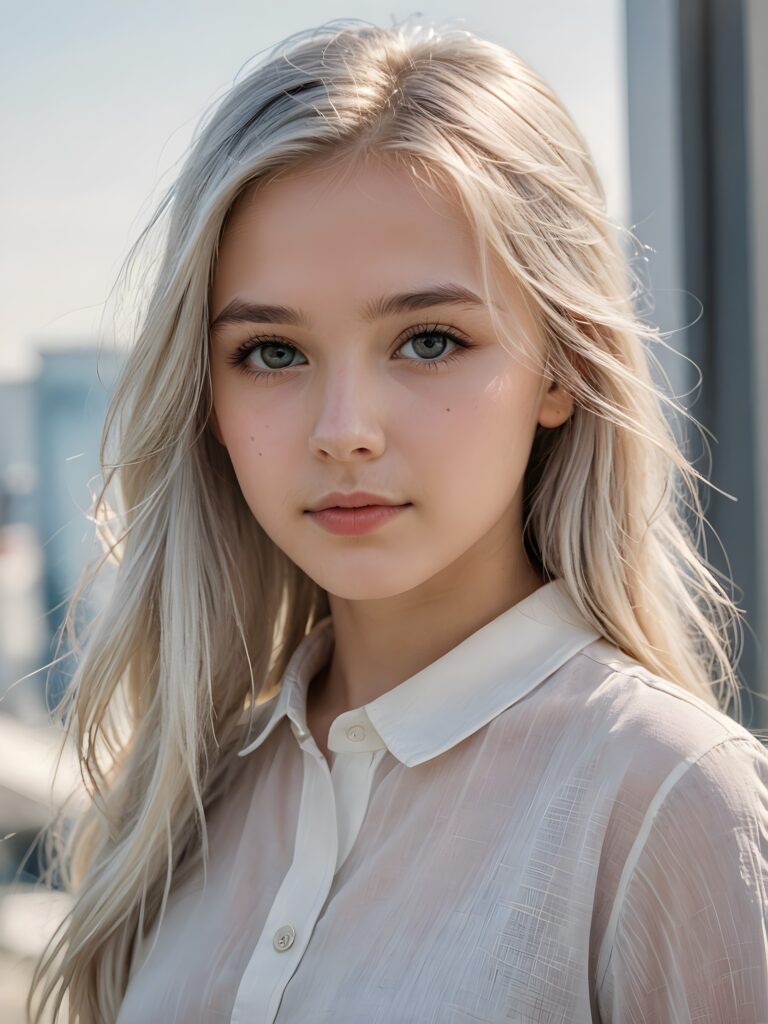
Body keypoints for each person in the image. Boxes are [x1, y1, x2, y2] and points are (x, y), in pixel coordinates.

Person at [28, 17, 768, 1024]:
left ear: (563, 366)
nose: (344, 433)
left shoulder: (669, 800)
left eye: (428, 339)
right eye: (273, 352)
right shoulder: (197, 793)